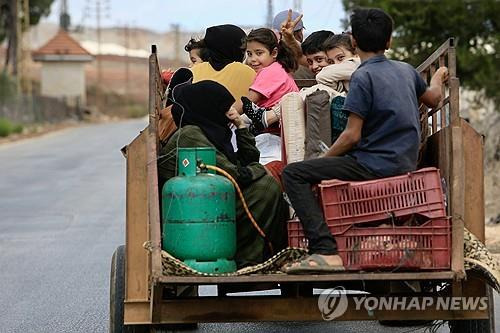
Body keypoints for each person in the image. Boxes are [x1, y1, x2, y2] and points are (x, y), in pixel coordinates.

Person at [282, 8, 448, 273]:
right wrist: (438, 76)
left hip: (373, 166)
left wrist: (323, 161)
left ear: (354, 43)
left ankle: (326, 251)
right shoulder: (406, 71)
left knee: (294, 174)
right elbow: (434, 98)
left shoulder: (362, 76)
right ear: (389, 41)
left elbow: (352, 135)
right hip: (405, 162)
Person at [157, 79, 288, 268]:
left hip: (210, 197)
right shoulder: (190, 135)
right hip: (195, 206)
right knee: (265, 188)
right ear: (209, 107)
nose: (229, 111)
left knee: (266, 184)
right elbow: (234, 175)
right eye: (224, 107)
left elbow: (248, 160)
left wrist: (241, 126)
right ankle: (247, 258)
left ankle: (260, 254)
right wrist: (263, 170)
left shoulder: (210, 131)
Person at [240, 28, 299, 163]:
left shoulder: (271, 71)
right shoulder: (278, 68)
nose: (252, 59)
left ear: (274, 53)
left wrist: (223, 113)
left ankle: (262, 118)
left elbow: (246, 102)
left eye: (259, 53)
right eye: (249, 54)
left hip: (275, 136)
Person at [190, 24, 256, 102]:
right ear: (234, 49)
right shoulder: (247, 72)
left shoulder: (193, 72)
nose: (244, 56)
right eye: (242, 50)